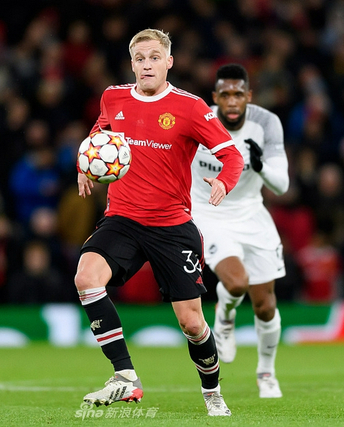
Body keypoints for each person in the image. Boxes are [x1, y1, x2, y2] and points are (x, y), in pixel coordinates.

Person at [75, 29, 244, 417]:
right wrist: (87, 164)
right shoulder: (113, 97)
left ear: (169, 62)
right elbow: (99, 134)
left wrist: (223, 181)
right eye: (140, 58)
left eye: (154, 57)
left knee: (192, 324)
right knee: (86, 278)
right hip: (123, 218)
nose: (147, 65)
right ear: (132, 63)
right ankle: (125, 377)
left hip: (171, 226)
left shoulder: (190, 107)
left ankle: (212, 392)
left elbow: (231, 156)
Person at [190, 63, 289, 398]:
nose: (232, 101)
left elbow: (282, 185)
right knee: (236, 282)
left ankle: (266, 373)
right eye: (225, 94)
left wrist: (260, 166)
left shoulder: (266, 123)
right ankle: (225, 315)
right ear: (215, 97)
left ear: (249, 96)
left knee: (266, 305)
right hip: (208, 212)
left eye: (238, 94)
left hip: (251, 213)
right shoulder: (198, 119)